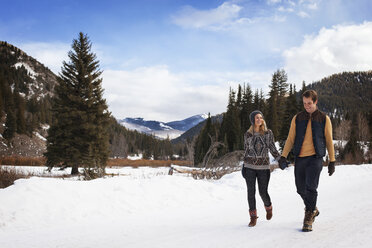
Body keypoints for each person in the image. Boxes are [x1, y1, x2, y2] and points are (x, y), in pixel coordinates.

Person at [278, 90, 336, 232]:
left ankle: (308, 216)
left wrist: (332, 161)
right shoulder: (297, 118)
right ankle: (313, 207)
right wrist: (283, 156)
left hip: (316, 158)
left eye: (309, 103)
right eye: (304, 103)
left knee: (311, 187)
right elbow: (291, 138)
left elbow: (329, 140)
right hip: (300, 158)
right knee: (300, 188)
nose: (307, 106)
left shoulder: (324, 118)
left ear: (316, 102)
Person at [242, 110, 281, 227]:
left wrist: (280, 159)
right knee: (251, 192)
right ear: (253, 120)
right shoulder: (247, 134)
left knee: (263, 192)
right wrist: (243, 165)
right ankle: (253, 217)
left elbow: (272, 148)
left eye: (260, 117)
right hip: (249, 167)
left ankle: (268, 207)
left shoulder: (268, 133)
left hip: (263, 167)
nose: (259, 119)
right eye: (256, 118)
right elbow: (246, 150)